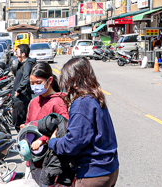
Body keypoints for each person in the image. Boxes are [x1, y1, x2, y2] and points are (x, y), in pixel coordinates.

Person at [47, 57, 119, 187]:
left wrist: (53, 142)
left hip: (93, 174)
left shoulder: (81, 104)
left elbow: (72, 143)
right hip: (110, 168)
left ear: (74, 80)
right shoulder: (95, 96)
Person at [13, 43, 37, 129]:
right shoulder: (23, 63)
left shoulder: (27, 64)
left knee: (19, 122)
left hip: (22, 98)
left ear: (23, 54)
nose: (15, 53)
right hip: (20, 97)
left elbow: (26, 78)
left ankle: (24, 140)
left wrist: (18, 90)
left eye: (17, 51)